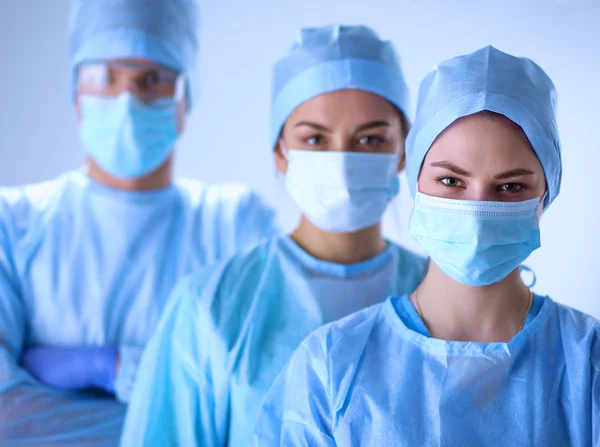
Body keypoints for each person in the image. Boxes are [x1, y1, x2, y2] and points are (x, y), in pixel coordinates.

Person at [255, 46, 600, 446]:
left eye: (510, 187)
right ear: (415, 181)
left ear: (545, 195)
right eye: (451, 182)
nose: (475, 210)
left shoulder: (587, 364)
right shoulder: (330, 366)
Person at [120, 24, 427, 447]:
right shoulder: (212, 306)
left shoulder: (443, 297)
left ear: (404, 153)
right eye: (315, 139)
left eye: (370, 138)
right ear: (279, 152)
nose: (341, 160)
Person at [0, 0, 276, 445]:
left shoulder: (234, 223)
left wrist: (90, 370)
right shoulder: (13, 224)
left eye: (152, 81)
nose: (127, 101)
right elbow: (7, 419)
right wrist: (182, 416)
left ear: (186, 98)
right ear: (76, 93)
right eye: (106, 78)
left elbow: (265, 405)